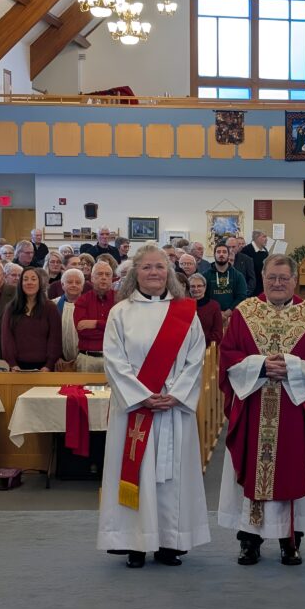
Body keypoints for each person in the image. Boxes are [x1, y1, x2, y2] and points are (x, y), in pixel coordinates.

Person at [218, 254, 305, 566]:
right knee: (252, 468)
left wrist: (292, 368)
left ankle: (290, 540)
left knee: (291, 467)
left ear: (294, 280)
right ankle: (249, 540)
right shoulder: (245, 312)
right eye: (272, 278)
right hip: (254, 404)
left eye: (284, 278)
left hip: (296, 408)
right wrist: (259, 366)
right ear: (263, 277)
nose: (278, 283)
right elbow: (228, 354)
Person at [97, 244, 209, 569]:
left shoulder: (186, 312)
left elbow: (195, 357)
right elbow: (114, 361)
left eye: (160, 267)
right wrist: (142, 395)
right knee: (138, 473)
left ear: (169, 272)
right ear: (135, 273)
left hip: (173, 407)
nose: (154, 273)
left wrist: (175, 393)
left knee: (171, 476)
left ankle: (170, 543)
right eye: (147, 267)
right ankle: (135, 542)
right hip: (136, 409)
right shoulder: (121, 313)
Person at [1, 266, 61, 372]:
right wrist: (12, 364)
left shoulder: (50, 308)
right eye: (25, 279)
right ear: (21, 284)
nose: (29, 282)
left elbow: (55, 339)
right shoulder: (11, 308)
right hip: (17, 368)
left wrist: (48, 365)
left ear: (39, 283)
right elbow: (7, 338)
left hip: (44, 368)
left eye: (33, 279)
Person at [72, 261, 117, 373]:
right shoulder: (82, 300)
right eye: (100, 274)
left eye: (107, 275)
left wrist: (96, 323)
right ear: (92, 278)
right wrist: (108, 327)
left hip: (113, 359)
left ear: (112, 279)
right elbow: (83, 331)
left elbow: (121, 329)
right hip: (87, 359)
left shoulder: (119, 299)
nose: (103, 278)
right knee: (84, 391)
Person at [206, 243, 247, 319]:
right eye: (218, 252)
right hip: (211, 316)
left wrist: (228, 312)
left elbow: (242, 297)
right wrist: (216, 313)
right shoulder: (205, 276)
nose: (221, 254)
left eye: (224, 252)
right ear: (214, 254)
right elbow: (204, 297)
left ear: (228, 255)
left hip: (232, 316)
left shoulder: (238, 276)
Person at [56, 268, 85, 366]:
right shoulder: (53, 305)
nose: (74, 285)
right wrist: (56, 357)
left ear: (82, 286)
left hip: (83, 360)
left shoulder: (89, 305)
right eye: (69, 282)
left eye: (78, 282)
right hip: (59, 362)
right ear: (62, 285)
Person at [188, 273, 224, 345]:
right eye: (192, 286)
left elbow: (218, 333)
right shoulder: (184, 305)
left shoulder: (214, 306)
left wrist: (200, 343)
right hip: (186, 347)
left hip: (207, 348)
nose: (196, 289)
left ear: (205, 287)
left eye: (199, 286)